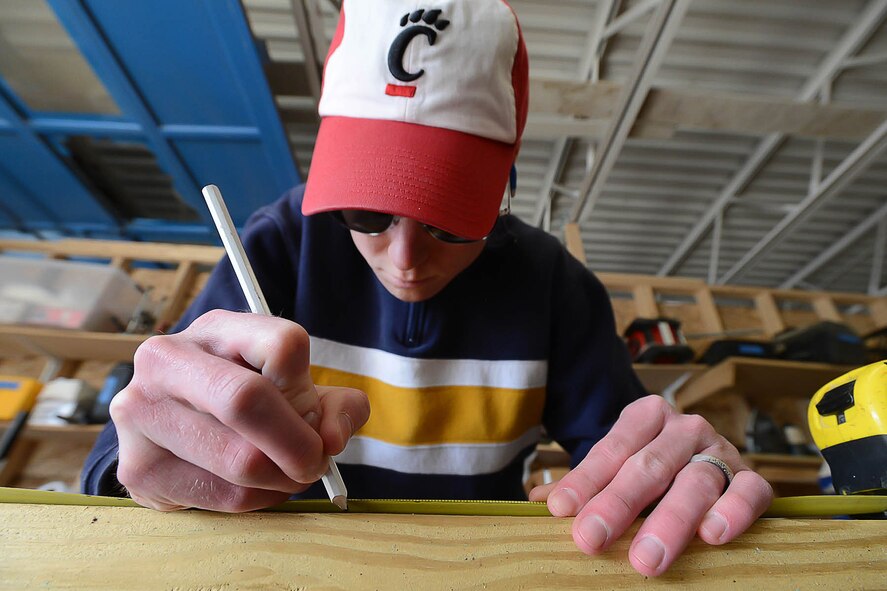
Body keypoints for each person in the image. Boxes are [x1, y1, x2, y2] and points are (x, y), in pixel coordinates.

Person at [82, 0, 773, 577]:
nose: (405, 259)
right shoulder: (277, 247)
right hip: (290, 567)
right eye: (365, 212)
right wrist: (138, 467)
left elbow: (630, 456)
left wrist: (683, 466)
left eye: (449, 217)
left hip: (475, 567)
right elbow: (124, 457)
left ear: (504, 187)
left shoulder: (555, 287)